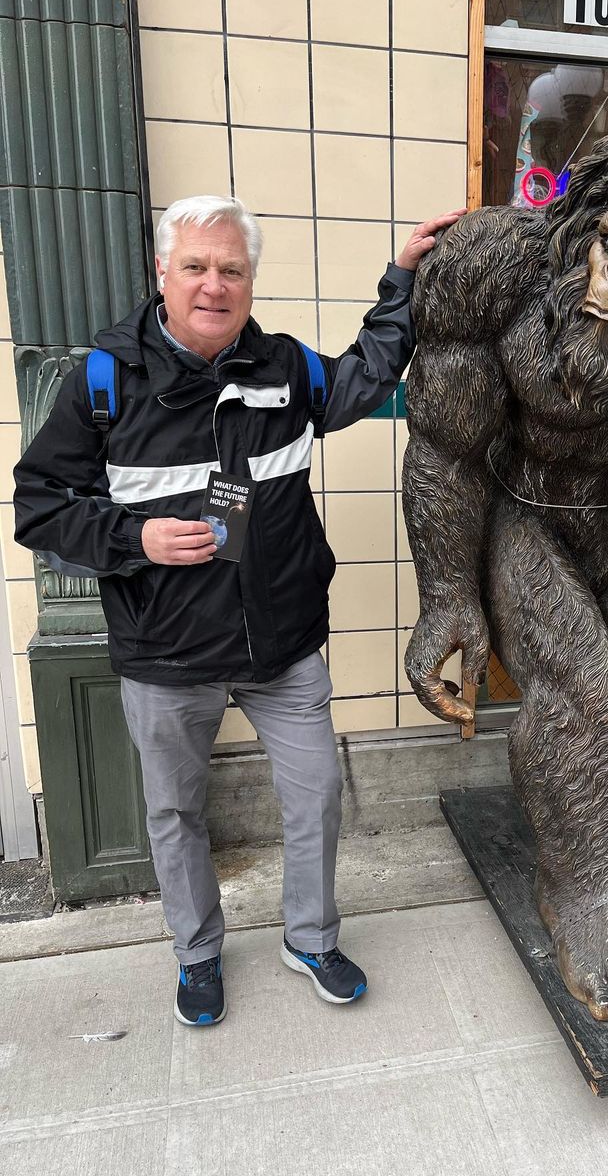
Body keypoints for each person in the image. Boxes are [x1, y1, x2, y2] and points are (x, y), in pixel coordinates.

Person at [13, 194, 465, 1027]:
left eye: (231, 268)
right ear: (162, 272)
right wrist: (136, 539)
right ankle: (196, 954)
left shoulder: (285, 369)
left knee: (317, 794)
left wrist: (401, 279)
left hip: (279, 645)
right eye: (195, 266)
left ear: (250, 279)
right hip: (166, 652)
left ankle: (311, 939)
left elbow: (366, 373)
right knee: (176, 812)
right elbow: (39, 507)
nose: (213, 285)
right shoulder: (104, 383)